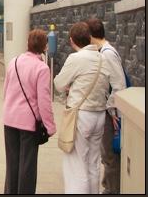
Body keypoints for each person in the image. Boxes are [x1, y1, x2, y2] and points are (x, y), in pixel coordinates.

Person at [53, 22, 124, 194]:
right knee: (93, 164)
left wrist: (72, 85)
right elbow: (119, 84)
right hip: (99, 115)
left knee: (76, 165)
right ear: (89, 38)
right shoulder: (103, 57)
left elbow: (58, 84)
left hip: (81, 115)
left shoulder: (76, 59)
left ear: (72, 40)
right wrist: (110, 106)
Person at [2, 29, 56, 194]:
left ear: (28, 43)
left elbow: (6, 90)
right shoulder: (42, 68)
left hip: (9, 119)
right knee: (27, 167)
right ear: (45, 47)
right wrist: (50, 126)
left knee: (12, 164)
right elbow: (44, 101)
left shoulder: (14, 62)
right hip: (28, 125)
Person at [85, 18, 127, 194]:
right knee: (106, 155)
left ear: (91, 36)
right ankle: (108, 187)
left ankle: (111, 190)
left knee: (109, 155)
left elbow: (118, 84)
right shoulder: (105, 51)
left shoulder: (107, 54)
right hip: (110, 111)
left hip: (111, 114)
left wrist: (111, 110)